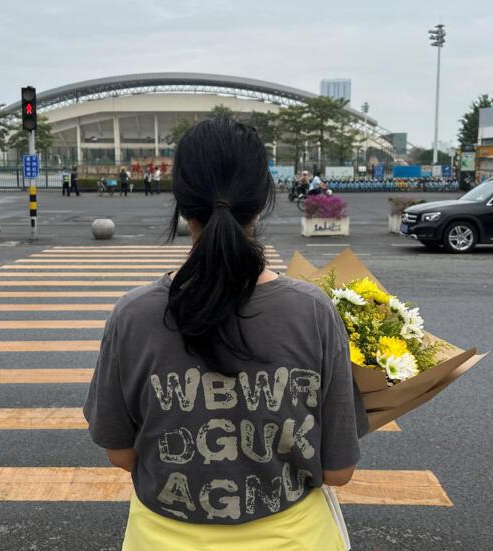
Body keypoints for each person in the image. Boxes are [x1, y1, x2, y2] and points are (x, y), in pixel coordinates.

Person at [84, 118, 366, 550]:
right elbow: (338, 472)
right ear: (262, 201)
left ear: (181, 200)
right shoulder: (312, 312)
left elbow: (120, 454)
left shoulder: (133, 315)